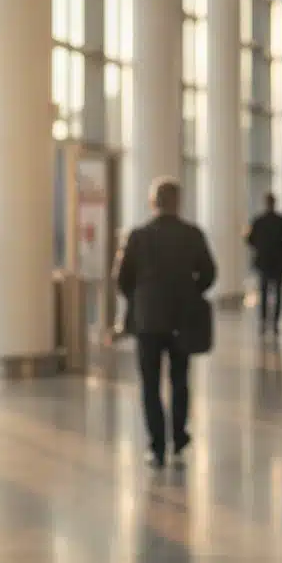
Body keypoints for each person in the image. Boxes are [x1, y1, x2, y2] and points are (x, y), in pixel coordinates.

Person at [116, 177, 216, 469]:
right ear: (177, 202)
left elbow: (123, 279)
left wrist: (140, 298)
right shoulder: (192, 235)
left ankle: (156, 446)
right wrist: (192, 291)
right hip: (182, 319)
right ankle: (178, 439)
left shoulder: (138, 236)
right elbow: (209, 273)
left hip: (147, 320)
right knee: (179, 380)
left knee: (149, 383)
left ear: (153, 202)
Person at [246, 193, 282, 336]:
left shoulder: (259, 221)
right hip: (276, 262)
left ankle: (266, 322)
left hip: (266, 262)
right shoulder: (280, 221)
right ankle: (273, 323)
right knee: (275, 293)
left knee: (266, 292)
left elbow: (249, 240)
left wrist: (260, 250)